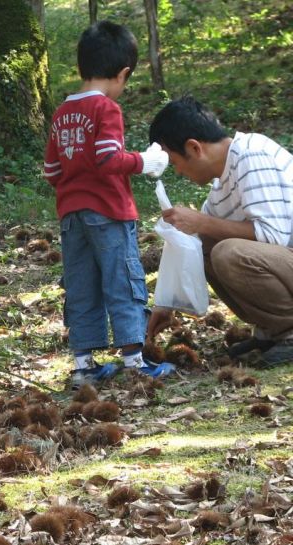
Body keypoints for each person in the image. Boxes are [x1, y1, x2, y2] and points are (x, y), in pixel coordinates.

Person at [44, 20, 175, 388]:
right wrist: (144, 162)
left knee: (81, 284)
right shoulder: (106, 110)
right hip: (110, 212)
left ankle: (84, 365)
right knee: (123, 279)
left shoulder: (62, 112)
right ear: (122, 73)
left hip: (71, 215)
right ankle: (135, 361)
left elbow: (52, 170)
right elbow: (107, 159)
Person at [146, 97, 293, 367]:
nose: (178, 171)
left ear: (194, 147)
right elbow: (195, 243)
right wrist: (166, 304)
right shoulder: (222, 185)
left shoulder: (252, 154)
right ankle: (272, 331)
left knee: (228, 252)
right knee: (204, 247)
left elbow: (273, 237)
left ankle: (287, 331)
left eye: (175, 162)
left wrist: (202, 222)